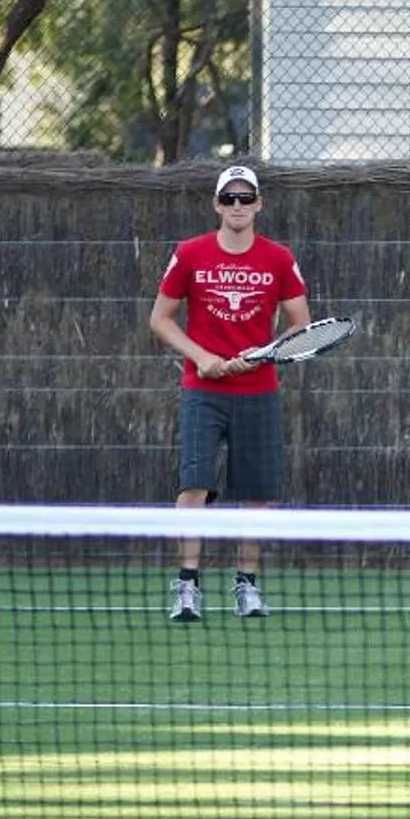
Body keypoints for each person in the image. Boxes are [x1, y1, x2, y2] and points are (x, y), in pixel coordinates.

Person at [149, 163, 312, 621]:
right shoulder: (190, 253)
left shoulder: (278, 258)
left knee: (257, 492)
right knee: (194, 484)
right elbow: (160, 319)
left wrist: (262, 355)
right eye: (229, 198)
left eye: (246, 198)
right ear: (217, 204)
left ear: (259, 203)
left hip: (258, 390)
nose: (237, 206)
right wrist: (201, 356)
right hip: (202, 389)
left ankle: (247, 587)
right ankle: (186, 587)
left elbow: (301, 325)